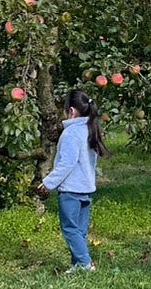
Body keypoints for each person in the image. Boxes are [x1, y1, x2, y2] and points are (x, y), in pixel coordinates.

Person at [43, 90, 108, 273]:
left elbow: (66, 163)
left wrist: (48, 183)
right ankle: (77, 264)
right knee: (80, 230)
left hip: (71, 190)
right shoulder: (90, 130)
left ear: (71, 111)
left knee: (70, 229)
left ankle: (86, 264)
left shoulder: (71, 133)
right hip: (86, 189)